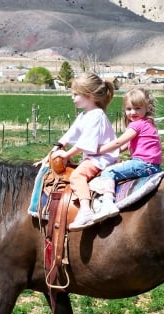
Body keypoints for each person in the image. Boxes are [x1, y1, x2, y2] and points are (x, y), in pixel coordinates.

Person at [47, 73, 119, 231]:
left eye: (75, 94)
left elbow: (86, 142)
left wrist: (66, 155)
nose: (72, 98)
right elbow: (70, 134)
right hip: (93, 156)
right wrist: (55, 148)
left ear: (89, 95)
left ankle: (85, 210)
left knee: (77, 176)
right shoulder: (84, 115)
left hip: (101, 158)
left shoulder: (97, 116)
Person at [92, 87, 163, 223]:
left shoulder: (136, 125)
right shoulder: (148, 123)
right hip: (153, 166)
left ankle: (107, 203)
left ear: (146, 108)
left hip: (142, 163)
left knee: (109, 172)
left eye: (137, 108)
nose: (133, 112)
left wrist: (98, 150)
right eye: (129, 109)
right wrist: (112, 153)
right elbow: (125, 146)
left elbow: (119, 142)